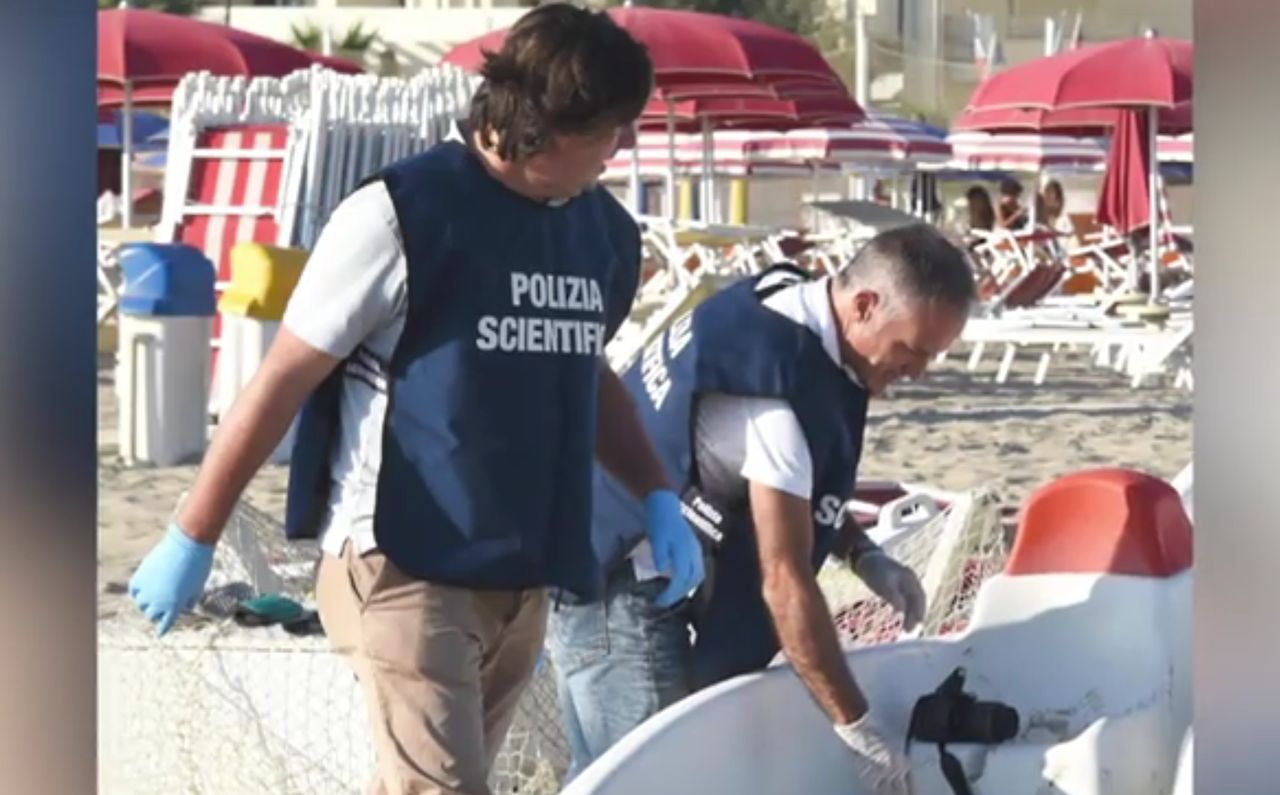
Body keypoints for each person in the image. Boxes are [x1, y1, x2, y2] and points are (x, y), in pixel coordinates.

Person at [126, 6, 706, 794]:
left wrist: (658, 496)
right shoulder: (400, 214)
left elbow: (586, 372)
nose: (623, 148)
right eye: (613, 128)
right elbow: (283, 378)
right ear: (545, 127)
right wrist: (193, 536)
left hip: (522, 570)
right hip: (402, 561)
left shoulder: (600, 231)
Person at [547, 224, 977, 795]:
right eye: (913, 350)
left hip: (597, 545)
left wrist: (862, 552)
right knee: (653, 782)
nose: (917, 372)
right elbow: (784, 584)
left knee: (601, 777)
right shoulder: (774, 404)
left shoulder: (786, 296)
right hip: (618, 586)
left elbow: (783, 486)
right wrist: (857, 728)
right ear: (866, 305)